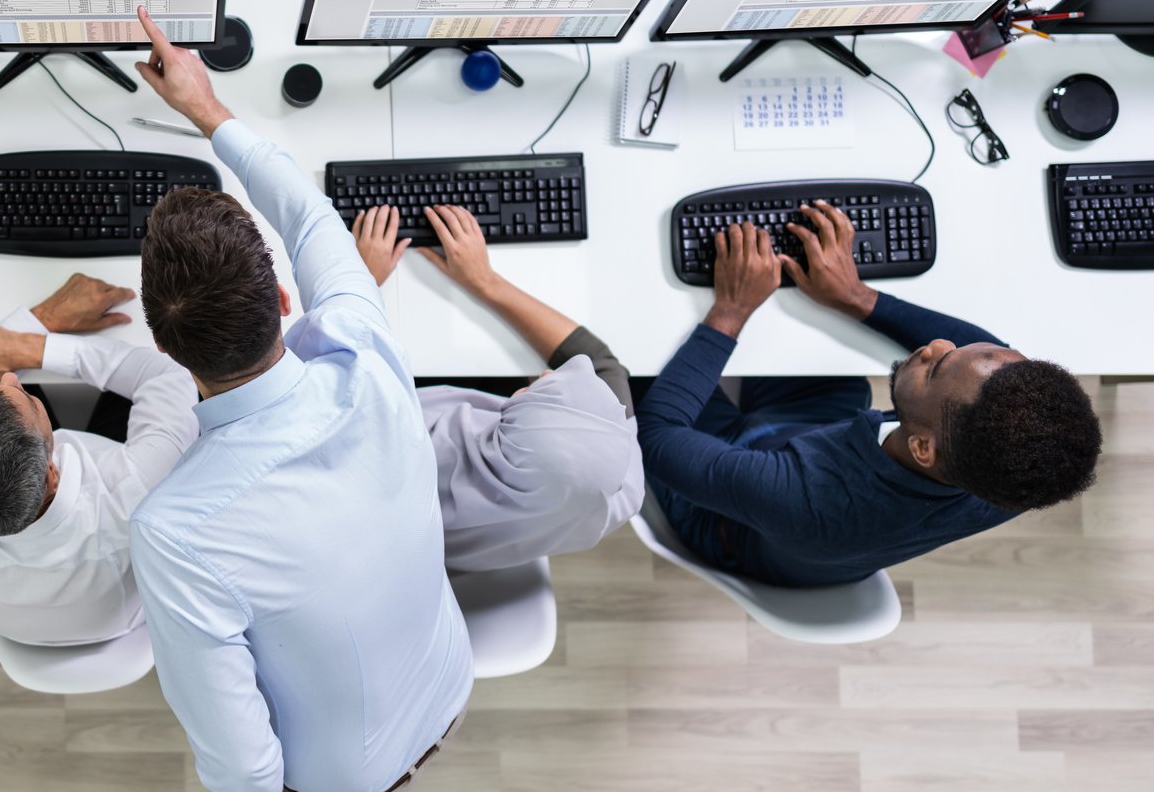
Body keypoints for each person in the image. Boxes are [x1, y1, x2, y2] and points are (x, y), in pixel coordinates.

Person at [125, 5, 472, 792]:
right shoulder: (363, 348)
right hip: (451, 677)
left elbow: (249, 783)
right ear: (284, 299)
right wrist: (209, 111)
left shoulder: (177, 532)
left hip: (353, 778)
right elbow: (310, 217)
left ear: (167, 348)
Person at [636, 203, 1102, 587]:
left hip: (734, 517)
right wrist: (856, 297)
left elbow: (658, 437)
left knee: (637, 360)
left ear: (923, 445)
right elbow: (989, 357)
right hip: (819, 448)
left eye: (936, 365)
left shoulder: (806, 499)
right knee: (808, 338)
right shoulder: (1013, 474)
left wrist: (731, 309)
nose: (935, 344)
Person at [0, 274, 198, 647]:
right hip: (123, 618)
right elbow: (168, 375)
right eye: (28, 400)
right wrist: (30, 343)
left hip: (15, 623)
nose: (10, 377)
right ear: (50, 474)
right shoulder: (135, 504)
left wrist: (33, 327)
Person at [351, 203, 643, 571]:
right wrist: (483, 280)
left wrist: (358, 284)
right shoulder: (621, 493)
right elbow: (602, 364)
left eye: (544, 393)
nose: (548, 375)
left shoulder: (386, 443)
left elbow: (331, 368)